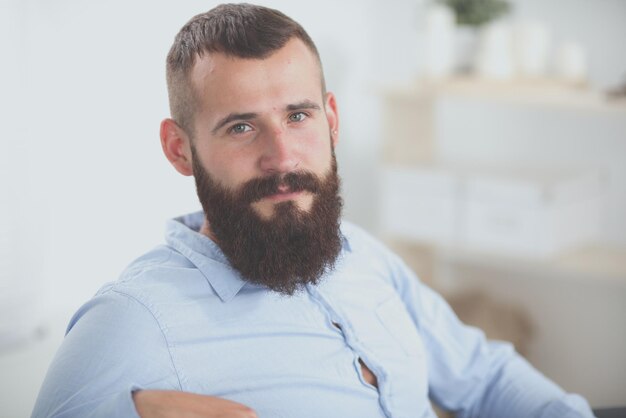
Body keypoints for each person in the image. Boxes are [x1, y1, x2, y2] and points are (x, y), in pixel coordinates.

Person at [32, 4, 595, 418]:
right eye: (242, 126)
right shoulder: (132, 323)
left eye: (298, 116)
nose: (282, 157)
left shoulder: (365, 255)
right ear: (180, 149)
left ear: (331, 119)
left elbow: (486, 378)